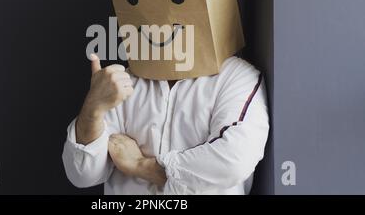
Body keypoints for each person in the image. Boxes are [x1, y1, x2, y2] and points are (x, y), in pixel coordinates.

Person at [62, 53, 269, 194]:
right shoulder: (125, 81)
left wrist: (141, 166)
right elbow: (82, 174)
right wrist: (93, 108)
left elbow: (232, 161)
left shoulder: (236, 76)